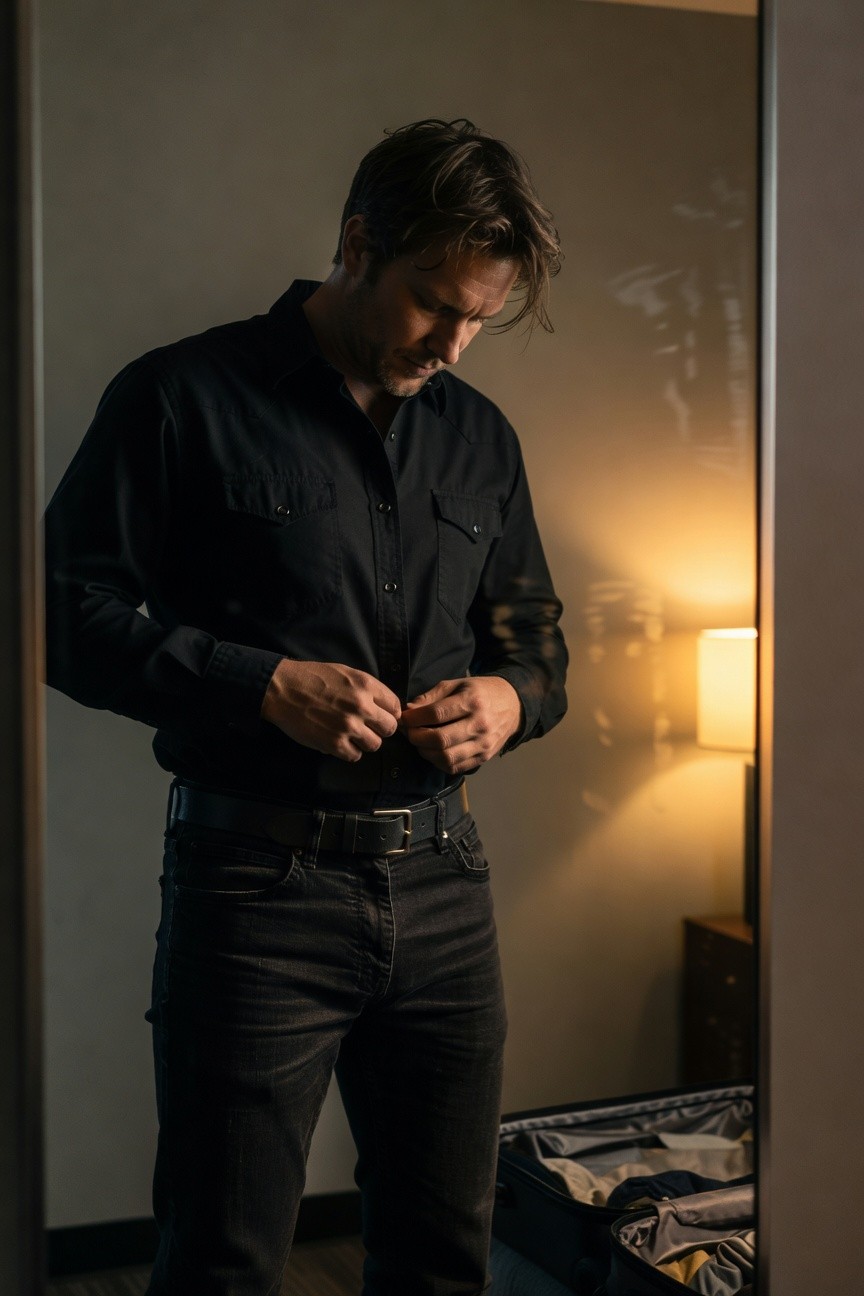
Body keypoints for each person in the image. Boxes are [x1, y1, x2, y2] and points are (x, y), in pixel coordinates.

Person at [44, 117, 568, 1296]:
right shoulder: (180, 396)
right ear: (355, 244)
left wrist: (507, 699)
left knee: (442, 1257)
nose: (455, 342)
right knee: (222, 1262)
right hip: (253, 892)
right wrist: (260, 683)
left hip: (446, 886)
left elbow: (536, 643)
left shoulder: (481, 436)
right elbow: (61, 611)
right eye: (436, 301)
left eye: (481, 316)